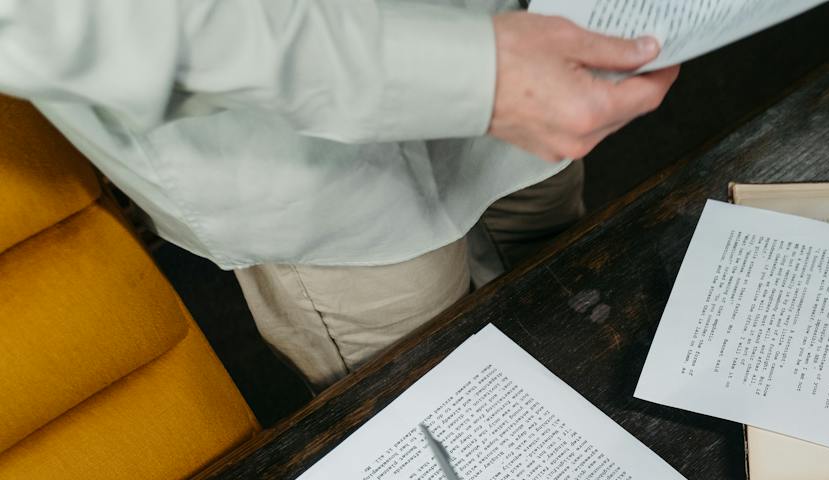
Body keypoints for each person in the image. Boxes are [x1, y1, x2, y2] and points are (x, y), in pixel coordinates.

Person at [0, 0, 679, 388]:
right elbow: (70, 20)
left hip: (520, 46)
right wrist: (465, 74)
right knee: (433, 412)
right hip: (295, 164)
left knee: (577, 305)